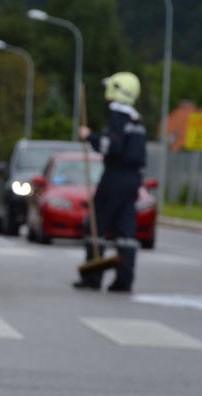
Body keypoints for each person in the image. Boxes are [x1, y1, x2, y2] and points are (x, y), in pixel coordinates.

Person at [73, 71, 147, 293]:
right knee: (126, 232)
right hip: (132, 180)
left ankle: (92, 277)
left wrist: (89, 137)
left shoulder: (118, 116)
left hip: (115, 177)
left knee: (97, 224)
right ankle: (124, 280)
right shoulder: (137, 120)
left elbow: (111, 146)